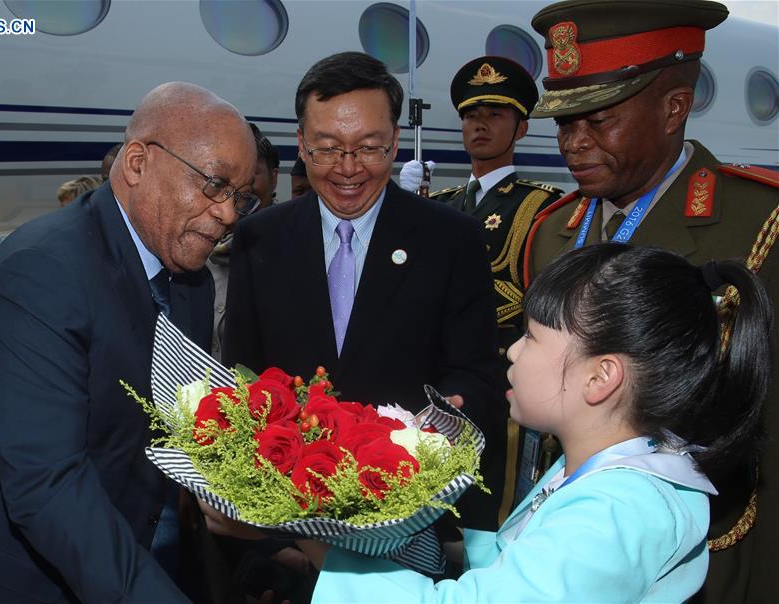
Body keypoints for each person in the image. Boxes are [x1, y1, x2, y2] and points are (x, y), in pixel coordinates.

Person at [0, 82, 258, 603]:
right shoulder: (45, 269)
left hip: (112, 556)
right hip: (6, 579)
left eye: (241, 197)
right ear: (137, 163)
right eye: (215, 184)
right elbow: (48, 486)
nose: (228, 214)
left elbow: (178, 433)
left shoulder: (189, 282)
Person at [272, 244, 770, 602]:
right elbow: (528, 565)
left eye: (531, 336)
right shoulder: (603, 471)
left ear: (600, 378)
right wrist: (428, 538)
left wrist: (319, 544)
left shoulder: (616, 510)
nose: (511, 350)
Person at [522, 1, 778, 600]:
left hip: (709, 551)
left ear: (673, 108)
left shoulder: (757, 227)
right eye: (565, 122)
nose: (574, 144)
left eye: (599, 120)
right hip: (570, 547)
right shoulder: (552, 233)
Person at [224, 51, 504, 531]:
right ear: (302, 143)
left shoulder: (450, 240)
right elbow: (241, 381)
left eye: (369, 147)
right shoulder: (259, 239)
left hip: (410, 511)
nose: (348, 168)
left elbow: (477, 379)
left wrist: (440, 430)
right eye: (328, 147)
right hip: (286, 516)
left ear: (395, 143)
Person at [403, 56, 564, 522]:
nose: (480, 125)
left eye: (495, 115)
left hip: (498, 385)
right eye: (472, 115)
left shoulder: (539, 207)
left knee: (487, 516)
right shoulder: (443, 204)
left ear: (521, 128)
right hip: (433, 383)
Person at [208, 122, 274, 362]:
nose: (237, 193)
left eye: (249, 178)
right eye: (223, 182)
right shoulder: (199, 252)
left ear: (274, 177)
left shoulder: (294, 253)